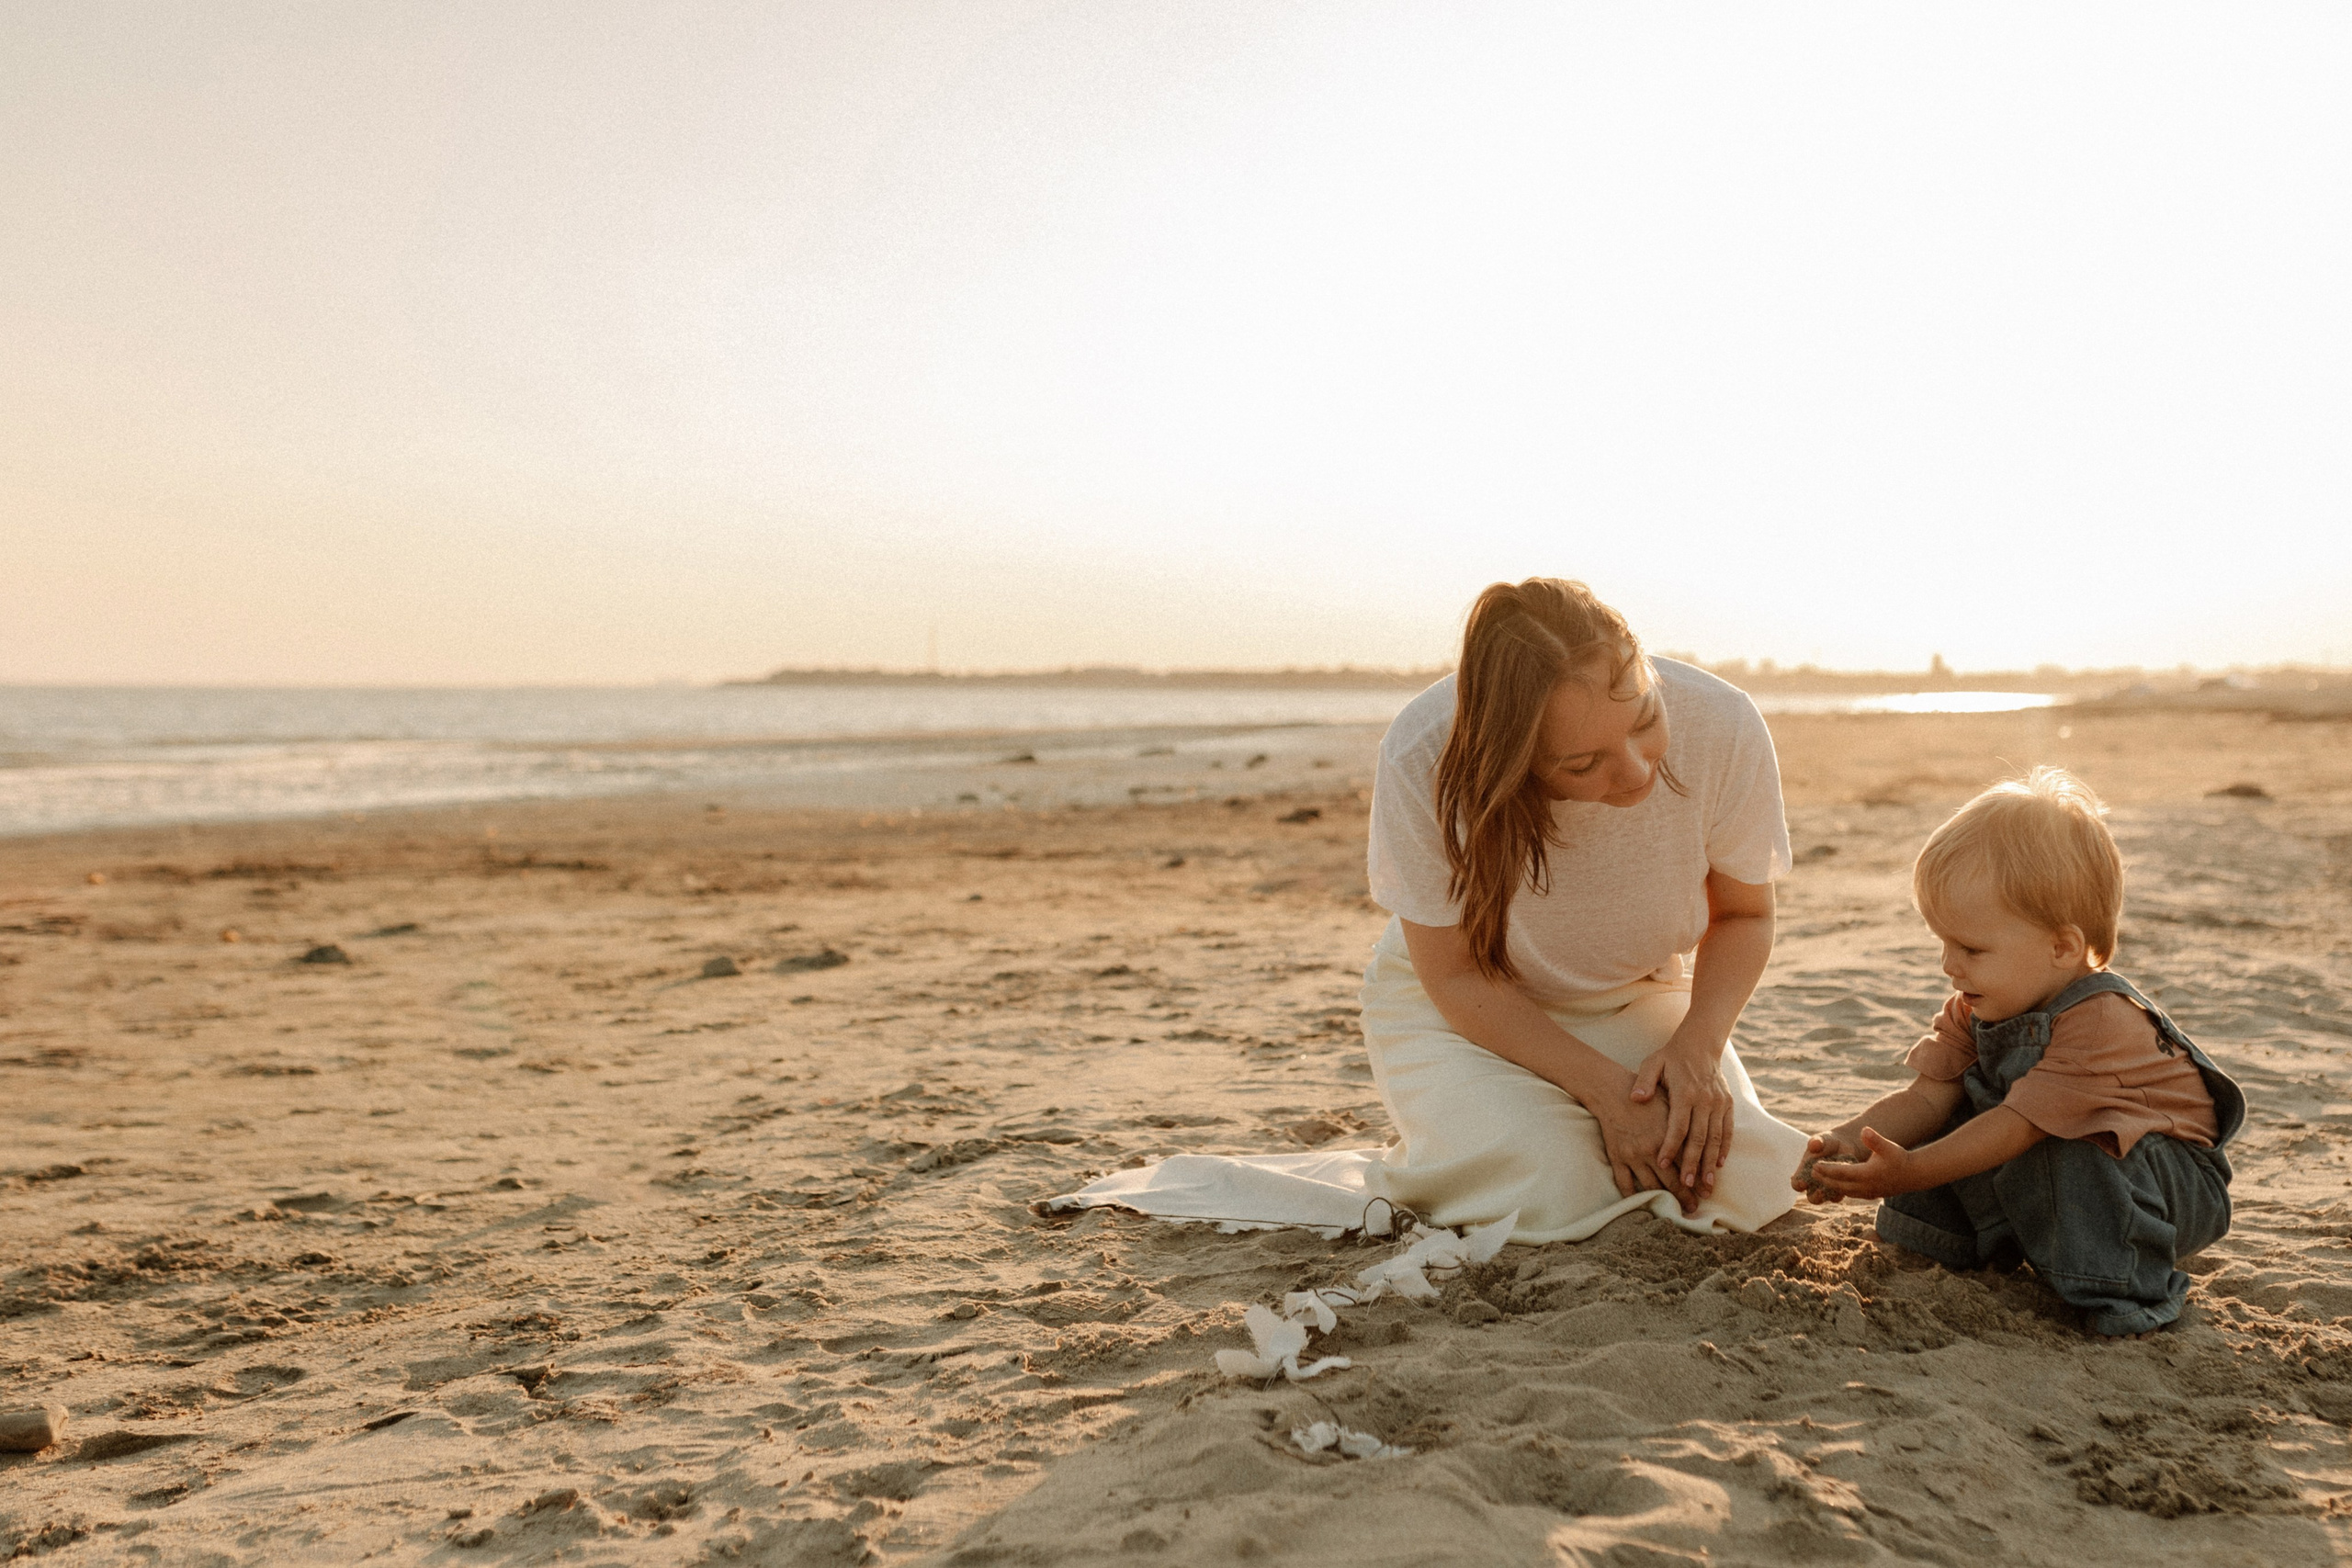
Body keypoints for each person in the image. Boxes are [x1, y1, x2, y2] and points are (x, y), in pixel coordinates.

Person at [1361, 578, 1809, 1244]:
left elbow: (1744, 916)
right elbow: (1453, 976)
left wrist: (1695, 1048)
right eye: (1583, 763)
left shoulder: (1724, 722)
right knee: (1553, 1181)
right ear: (1513, 760)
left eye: (1645, 721)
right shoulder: (1423, 755)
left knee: (1742, 1178)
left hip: (1638, 996)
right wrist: (1604, 1093)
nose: (1634, 773)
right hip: (1467, 1011)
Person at [1795, 767, 2245, 1337]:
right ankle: (1951, 1244)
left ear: (2062, 947)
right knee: (1957, 1113)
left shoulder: (2102, 1019)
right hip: (2056, 1159)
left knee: (2058, 1140)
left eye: (1971, 948)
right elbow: (1927, 1096)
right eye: (1942, 942)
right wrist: (1850, 1141)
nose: (1948, 965)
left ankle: (2122, 1285)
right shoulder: (1978, 1004)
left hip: (2161, 1184)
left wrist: (1908, 1173)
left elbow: (2016, 1129)